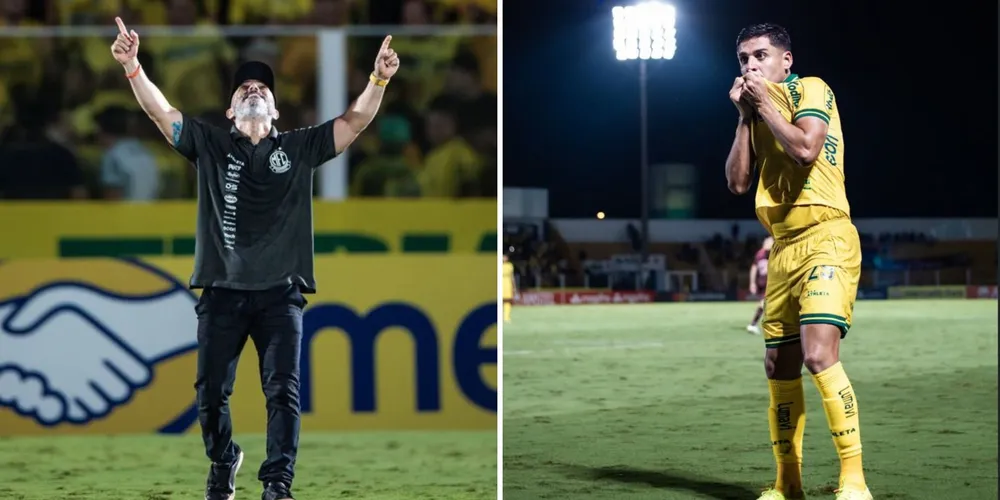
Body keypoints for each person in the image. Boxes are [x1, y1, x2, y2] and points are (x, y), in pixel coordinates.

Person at [110, 17, 400, 500]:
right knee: (209, 396)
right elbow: (163, 114)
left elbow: (355, 122)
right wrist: (133, 66)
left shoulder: (299, 147)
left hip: (280, 295)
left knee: (282, 393)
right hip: (222, 292)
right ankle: (223, 459)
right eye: (244, 86)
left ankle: (277, 485)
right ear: (230, 109)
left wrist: (379, 80)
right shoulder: (211, 145)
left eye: (261, 86)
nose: (252, 89)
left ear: (275, 108)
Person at [725, 24, 870, 500]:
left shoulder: (811, 89)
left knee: (817, 354)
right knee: (777, 365)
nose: (750, 66)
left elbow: (806, 149)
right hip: (784, 245)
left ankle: (853, 480)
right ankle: (788, 483)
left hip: (827, 235)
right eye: (744, 58)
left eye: (761, 55)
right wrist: (745, 118)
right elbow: (738, 182)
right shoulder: (756, 115)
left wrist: (763, 105)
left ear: (785, 61)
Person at [746, 236, 774, 335]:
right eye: (766, 242)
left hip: (773, 283)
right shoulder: (760, 254)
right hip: (764, 283)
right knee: (764, 304)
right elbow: (754, 268)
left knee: (768, 305)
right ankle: (752, 325)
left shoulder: (775, 252)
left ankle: (756, 325)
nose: (767, 244)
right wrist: (752, 283)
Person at [502, 253, 516, 323]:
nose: (504, 258)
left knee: (507, 300)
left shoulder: (510, 265)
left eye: (505, 257)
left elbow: (512, 276)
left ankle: (506, 317)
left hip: (507, 283)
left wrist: (514, 287)